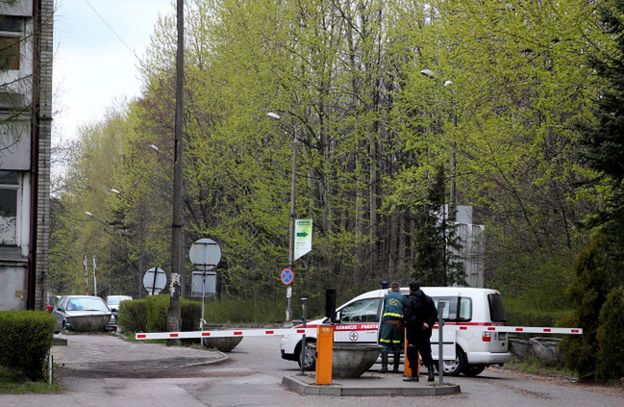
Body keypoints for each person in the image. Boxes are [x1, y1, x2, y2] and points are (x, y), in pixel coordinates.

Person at [403, 282, 438, 382]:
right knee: (426, 352)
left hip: (414, 332)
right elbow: (434, 314)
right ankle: (431, 372)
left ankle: (414, 375)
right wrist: (428, 324)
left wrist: (421, 323)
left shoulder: (409, 301)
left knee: (412, 353)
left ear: (410, 289)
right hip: (425, 332)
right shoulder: (428, 299)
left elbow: (409, 316)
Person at [379, 282, 406, 373]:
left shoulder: (387, 297)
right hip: (398, 324)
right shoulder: (403, 297)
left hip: (387, 323)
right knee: (397, 345)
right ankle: (395, 369)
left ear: (391, 288)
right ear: (398, 288)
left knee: (384, 345)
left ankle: (384, 367)